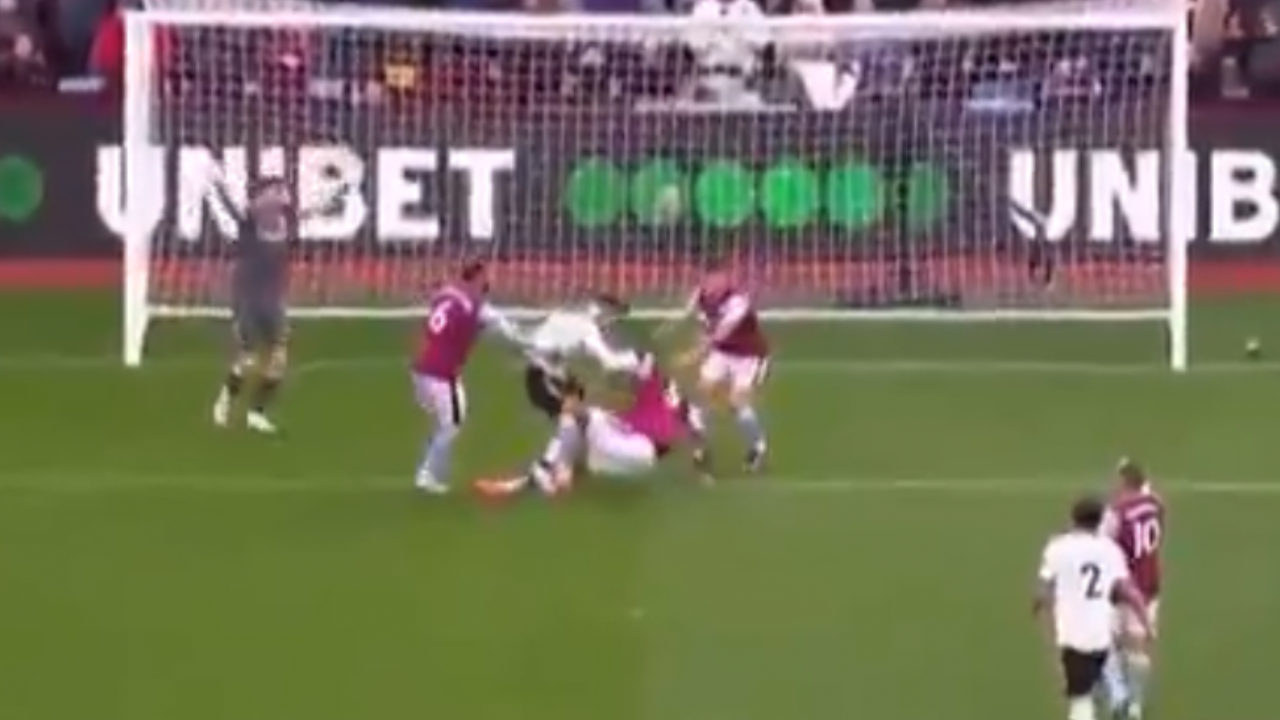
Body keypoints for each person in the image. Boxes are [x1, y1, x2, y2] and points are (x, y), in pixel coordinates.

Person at [475, 348, 710, 498]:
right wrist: (701, 470)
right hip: (638, 454)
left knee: (582, 419)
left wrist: (562, 387)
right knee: (582, 435)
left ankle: (555, 469)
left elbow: (638, 364)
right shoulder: (675, 402)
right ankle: (519, 486)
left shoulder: (649, 385)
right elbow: (696, 435)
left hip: (637, 449)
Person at [211, 176, 339, 434]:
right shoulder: (250, 222)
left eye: (281, 192)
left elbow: (307, 213)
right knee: (248, 357)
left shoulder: (286, 221)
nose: (280, 196)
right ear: (261, 197)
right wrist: (219, 187)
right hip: (248, 298)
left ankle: (256, 412)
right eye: (274, 191)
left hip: (273, 299)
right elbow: (233, 208)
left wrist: (330, 201)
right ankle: (225, 400)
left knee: (278, 359)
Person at [410, 260, 528, 494]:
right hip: (442, 375)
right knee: (453, 423)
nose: (489, 281)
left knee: (446, 422)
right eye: (485, 277)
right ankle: (427, 473)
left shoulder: (445, 295)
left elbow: (442, 303)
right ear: (476, 279)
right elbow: (506, 331)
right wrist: (528, 343)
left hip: (421, 370)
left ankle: (431, 467)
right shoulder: (479, 307)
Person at [1034, 495, 1152, 720]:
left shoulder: (1057, 548)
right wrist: (1146, 623)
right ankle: (1120, 699)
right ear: (1099, 521)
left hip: (1072, 637)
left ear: (1072, 518)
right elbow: (1128, 592)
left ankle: (1117, 700)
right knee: (1103, 669)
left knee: (1081, 700)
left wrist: (1039, 611)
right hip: (1100, 635)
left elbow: (1042, 591)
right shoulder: (1110, 550)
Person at [675, 259, 770, 471]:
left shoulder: (738, 303)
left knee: (738, 404)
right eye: (708, 280)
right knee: (701, 394)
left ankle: (758, 446)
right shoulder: (699, 297)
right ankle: (701, 448)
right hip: (722, 353)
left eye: (717, 280)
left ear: (726, 280)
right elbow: (704, 328)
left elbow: (721, 333)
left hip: (749, 356)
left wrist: (693, 354)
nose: (712, 285)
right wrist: (699, 341)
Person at [1099, 460, 1165, 720]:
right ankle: (1135, 705)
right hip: (1149, 584)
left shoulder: (1116, 512)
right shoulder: (1155, 504)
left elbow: (1102, 547)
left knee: (1105, 642)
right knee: (1137, 647)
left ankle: (1120, 695)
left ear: (1124, 482)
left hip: (1120, 587)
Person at [522, 293, 632, 422]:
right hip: (546, 372)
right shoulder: (589, 330)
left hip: (547, 366)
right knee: (586, 415)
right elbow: (609, 363)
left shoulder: (578, 314)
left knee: (580, 404)